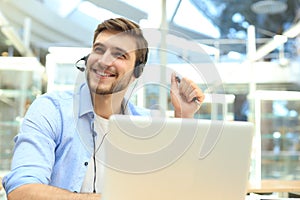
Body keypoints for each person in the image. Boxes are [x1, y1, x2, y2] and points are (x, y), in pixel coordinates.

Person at [2, 17, 205, 200]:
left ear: (137, 72)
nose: (104, 60)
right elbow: (21, 191)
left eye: (119, 55)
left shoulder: (148, 123)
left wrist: (184, 116)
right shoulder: (51, 110)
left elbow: (176, 190)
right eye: (99, 50)